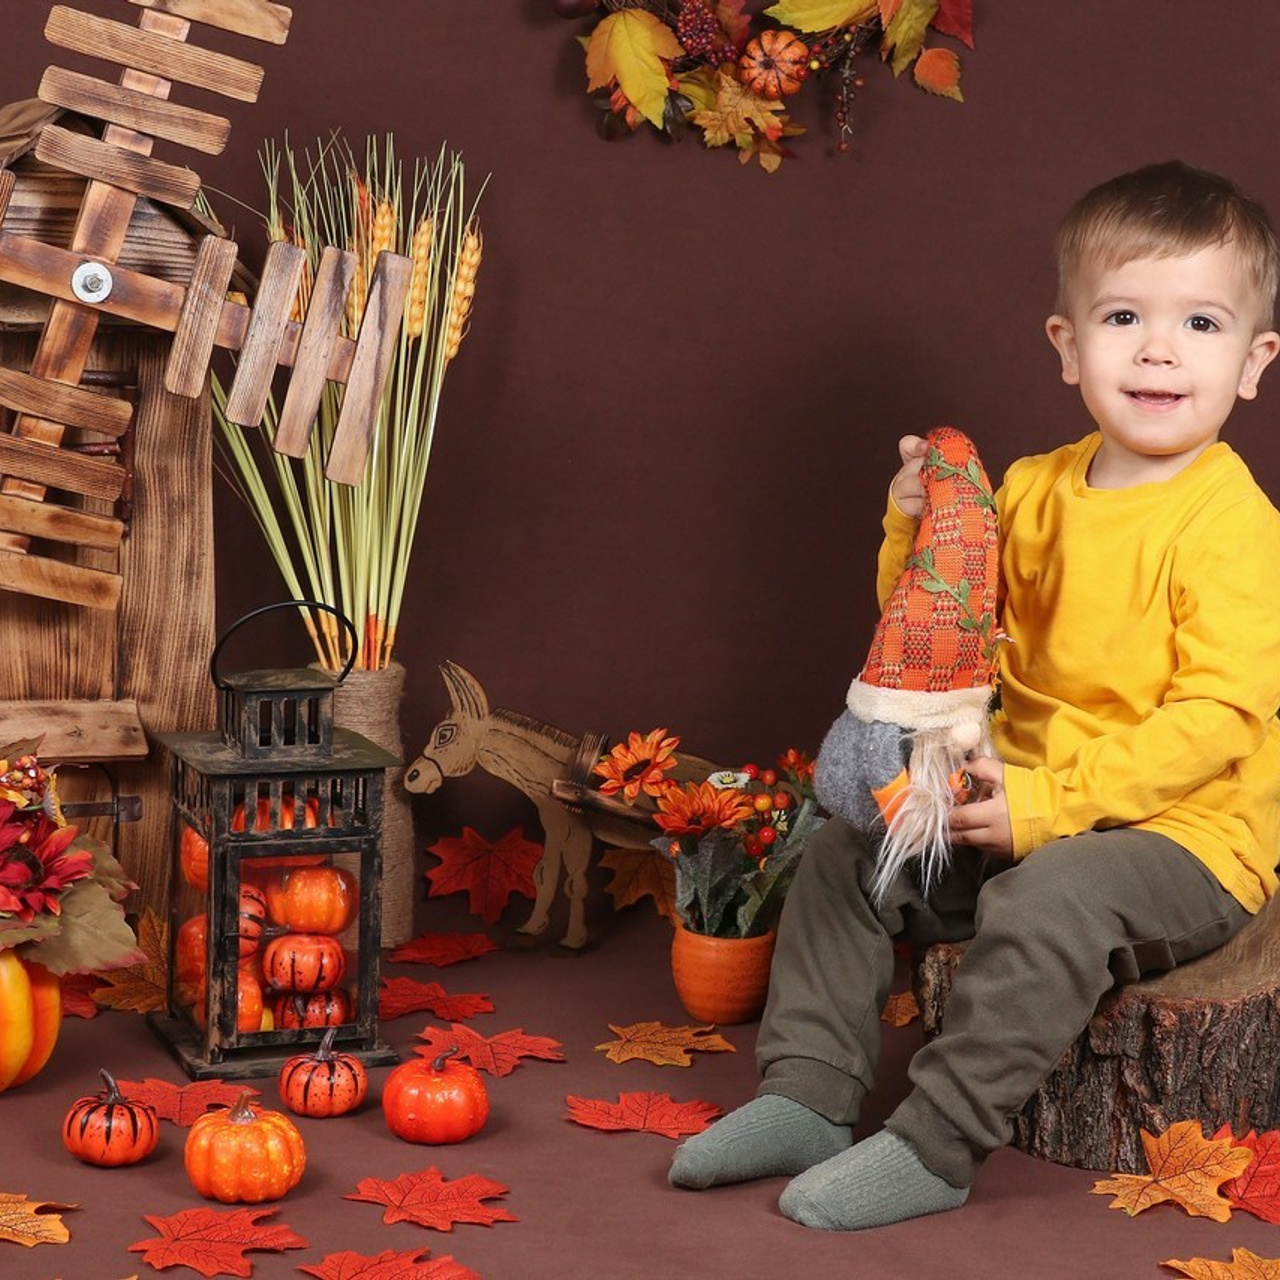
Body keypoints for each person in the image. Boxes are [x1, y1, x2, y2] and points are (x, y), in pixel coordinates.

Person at [667, 160, 1280, 1231]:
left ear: (1251, 362)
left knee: (1054, 899)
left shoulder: (1233, 529)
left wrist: (1046, 805)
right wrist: (914, 520)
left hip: (1181, 833)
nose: (1156, 348)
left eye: (1199, 322)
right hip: (1017, 794)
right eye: (1123, 314)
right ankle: (806, 1092)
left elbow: (1214, 722)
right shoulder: (1033, 488)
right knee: (849, 846)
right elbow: (934, 636)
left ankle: (935, 1141)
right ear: (1064, 343)